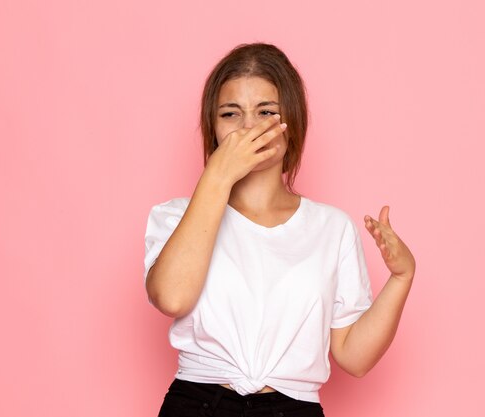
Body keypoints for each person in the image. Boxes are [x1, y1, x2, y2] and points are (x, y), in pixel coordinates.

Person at [143, 43, 416, 417]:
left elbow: (354, 356)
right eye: (230, 114)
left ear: (293, 123)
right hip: (197, 403)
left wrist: (401, 277)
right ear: (213, 128)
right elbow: (171, 297)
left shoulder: (332, 228)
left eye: (266, 112)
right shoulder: (176, 217)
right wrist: (217, 178)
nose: (248, 128)